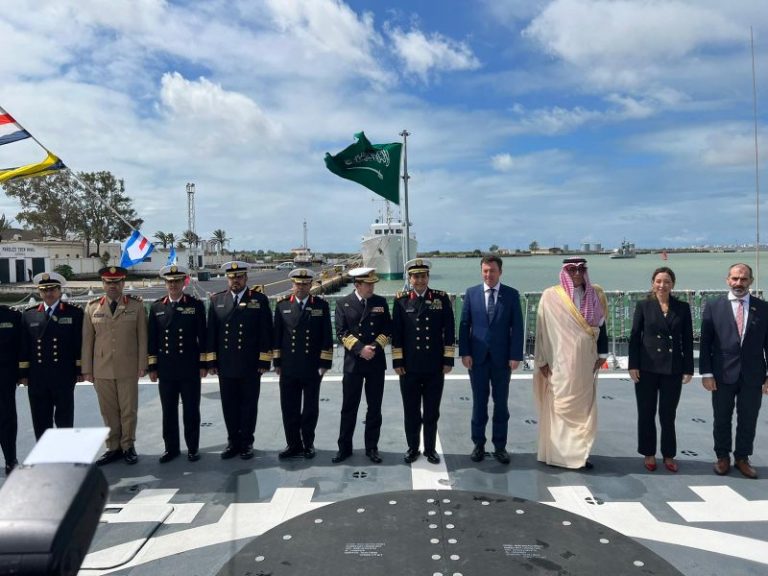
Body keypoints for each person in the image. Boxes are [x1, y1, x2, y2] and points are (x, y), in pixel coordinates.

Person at [533, 257, 607, 469]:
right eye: (572, 269)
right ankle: (557, 454)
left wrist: (603, 354)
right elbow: (541, 330)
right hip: (560, 362)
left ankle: (580, 454)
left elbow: (601, 328)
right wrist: (542, 360)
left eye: (581, 269)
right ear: (565, 271)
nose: (577, 273)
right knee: (559, 404)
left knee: (582, 408)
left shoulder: (595, 295)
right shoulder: (551, 296)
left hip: (585, 362)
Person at [700, 263, 768, 479]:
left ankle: (742, 458)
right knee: (721, 417)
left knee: (748, 418)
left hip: (753, 375)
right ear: (727, 280)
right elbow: (706, 343)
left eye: (744, 279)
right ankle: (722, 457)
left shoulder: (763, 308)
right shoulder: (713, 306)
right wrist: (707, 373)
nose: (739, 283)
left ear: (751, 281)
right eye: (735, 278)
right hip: (722, 375)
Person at [459, 255, 524, 464]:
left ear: (500, 272)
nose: (488, 275)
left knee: (501, 404)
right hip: (476, 360)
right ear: (481, 272)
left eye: (492, 271)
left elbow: (518, 328)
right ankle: (478, 444)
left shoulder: (512, 295)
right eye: (485, 271)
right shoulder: (471, 294)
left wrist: (515, 356)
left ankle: (500, 446)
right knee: (479, 403)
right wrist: (465, 352)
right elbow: (464, 325)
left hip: (502, 360)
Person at [628, 267, 694, 473]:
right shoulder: (644, 306)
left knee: (668, 414)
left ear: (673, 284)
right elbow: (635, 337)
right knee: (646, 412)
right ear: (653, 283)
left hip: (673, 368)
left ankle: (668, 454)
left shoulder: (682, 308)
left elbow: (688, 340)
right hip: (647, 367)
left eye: (666, 281)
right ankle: (649, 453)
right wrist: (633, 365)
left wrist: (688, 368)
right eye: (658, 281)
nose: (662, 285)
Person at [82, 266, 148, 466]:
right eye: (108, 282)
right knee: (108, 411)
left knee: (128, 410)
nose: (112, 286)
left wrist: (142, 364)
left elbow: (142, 339)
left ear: (123, 283)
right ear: (103, 284)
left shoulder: (136, 307)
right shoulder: (92, 307)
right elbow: (87, 341)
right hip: (101, 369)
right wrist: (87, 369)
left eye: (117, 282)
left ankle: (128, 446)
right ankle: (113, 447)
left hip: (128, 366)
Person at [207, 261, 273, 460]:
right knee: (229, 404)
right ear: (227, 278)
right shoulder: (217, 300)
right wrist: (211, 362)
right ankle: (232, 442)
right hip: (226, 364)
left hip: (250, 364)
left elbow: (266, 332)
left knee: (249, 405)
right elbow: (212, 334)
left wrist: (264, 361)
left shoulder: (259, 300)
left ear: (246, 278)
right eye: (231, 277)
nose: (235, 280)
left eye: (239, 277)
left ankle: (247, 443)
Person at [392, 259, 455, 465]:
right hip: (409, 367)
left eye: (423, 276)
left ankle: (429, 449)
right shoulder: (401, 300)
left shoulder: (441, 298)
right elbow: (397, 334)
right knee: (411, 411)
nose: (420, 280)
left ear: (428, 277)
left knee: (431, 411)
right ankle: (412, 448)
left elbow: (449, 330)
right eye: (416, 276)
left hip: (434, 366)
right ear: (409, 279)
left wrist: (448, 359)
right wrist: (397, 361)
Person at [148, 265, 207, 463]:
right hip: (166, 369)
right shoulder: (156, 307)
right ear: (165, 284)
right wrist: (153, 367)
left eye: (177, 281)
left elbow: (203, 337)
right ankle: (171, 448)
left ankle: (192, 448)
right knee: (169, 411)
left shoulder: (195, 305)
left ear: (184, 283)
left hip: (189, 367)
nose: (173, 285)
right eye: (170, 282)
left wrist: (203, 364)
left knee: (191, 410)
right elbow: (152, 340)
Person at [333, 267, 392, 464]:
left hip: (375, 362)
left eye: (373, 284)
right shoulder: (343, 303)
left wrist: (374, 347)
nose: (371, 287)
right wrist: (360, 349)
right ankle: (344, 448)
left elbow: (387, 329)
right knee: (349, 407)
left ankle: (372, 447)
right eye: (368, 284)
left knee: (374, 408)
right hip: (354, 364)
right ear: (357, 285)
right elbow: (341, 332)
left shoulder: (380, 303)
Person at [273, 268, 333, 459]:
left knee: (310, 408)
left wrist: (325, 363)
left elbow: (326, 335)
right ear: (293, 285)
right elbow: (277, 336)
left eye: (305, 283)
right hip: (289, 366)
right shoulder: (282, 305)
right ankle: (293, 444)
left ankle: (308, 443)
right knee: (289, 407)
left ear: (310, 285)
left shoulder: (321, 306)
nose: (301, 287)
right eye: (297, 283)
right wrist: (277, 362)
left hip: (311, 366)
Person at [19, 272, 84, 440]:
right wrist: (24, 374)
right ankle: (44, 456)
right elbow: (24, 347)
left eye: (53, 290)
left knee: (64, 418)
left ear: (59, 290)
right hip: (38, 376)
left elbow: (78, 344)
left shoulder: (74, 313)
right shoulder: (29, 315)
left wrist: (79, 369)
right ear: (40, 292)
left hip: (63, 374)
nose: (48, 294)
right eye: (44, 290)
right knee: (40, 419)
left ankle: (65, 456)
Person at [0, 304, 21, 474]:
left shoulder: (11, 316)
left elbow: (20, 346)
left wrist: (21, 373)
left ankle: (10, 460)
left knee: (7, 420)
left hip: (4, 378)